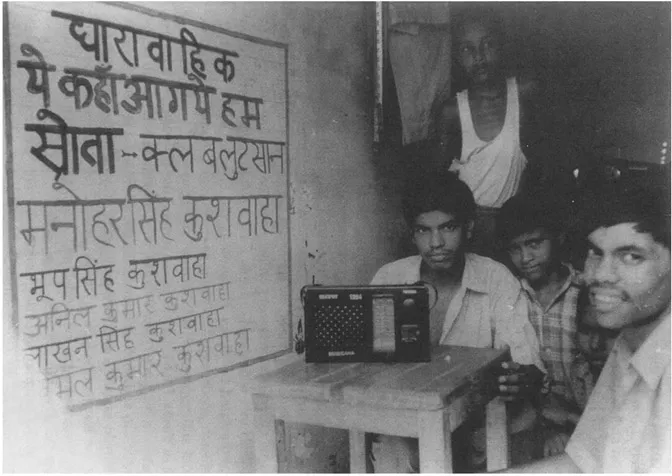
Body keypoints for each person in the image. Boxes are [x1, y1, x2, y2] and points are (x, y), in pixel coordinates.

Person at [368, 170, 545, 472]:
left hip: (482, 427)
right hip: (412, 426)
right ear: (411, 234)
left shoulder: (495, 279)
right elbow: (368, 364)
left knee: (518, 429)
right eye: (424, 230)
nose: (436, 242)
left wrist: (522, 376)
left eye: (448, 227)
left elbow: (528, 364)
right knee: (393, 451)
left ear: (469, 228)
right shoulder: (390, 278)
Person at [506, 184, 671, 472]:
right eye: (596, 252)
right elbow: (585, 463)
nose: (601, 275)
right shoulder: (627, 343)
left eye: (632, 256)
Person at [429, 6, 543, 256]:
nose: (479, 56)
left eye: (488, 45)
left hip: (512, 231)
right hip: (470, 234)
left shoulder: (523, 96)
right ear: (458, 57)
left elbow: (541, 168)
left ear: (502, 46)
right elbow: (438, 185)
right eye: (467, 49)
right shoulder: (452, 112)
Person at [496, 194, 599, 459]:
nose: (525, 258)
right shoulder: (510, 297)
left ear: (559, 237)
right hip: (533, 422)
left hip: (589, 422)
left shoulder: (586, 293)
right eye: (514, 249)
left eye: (534, 244)